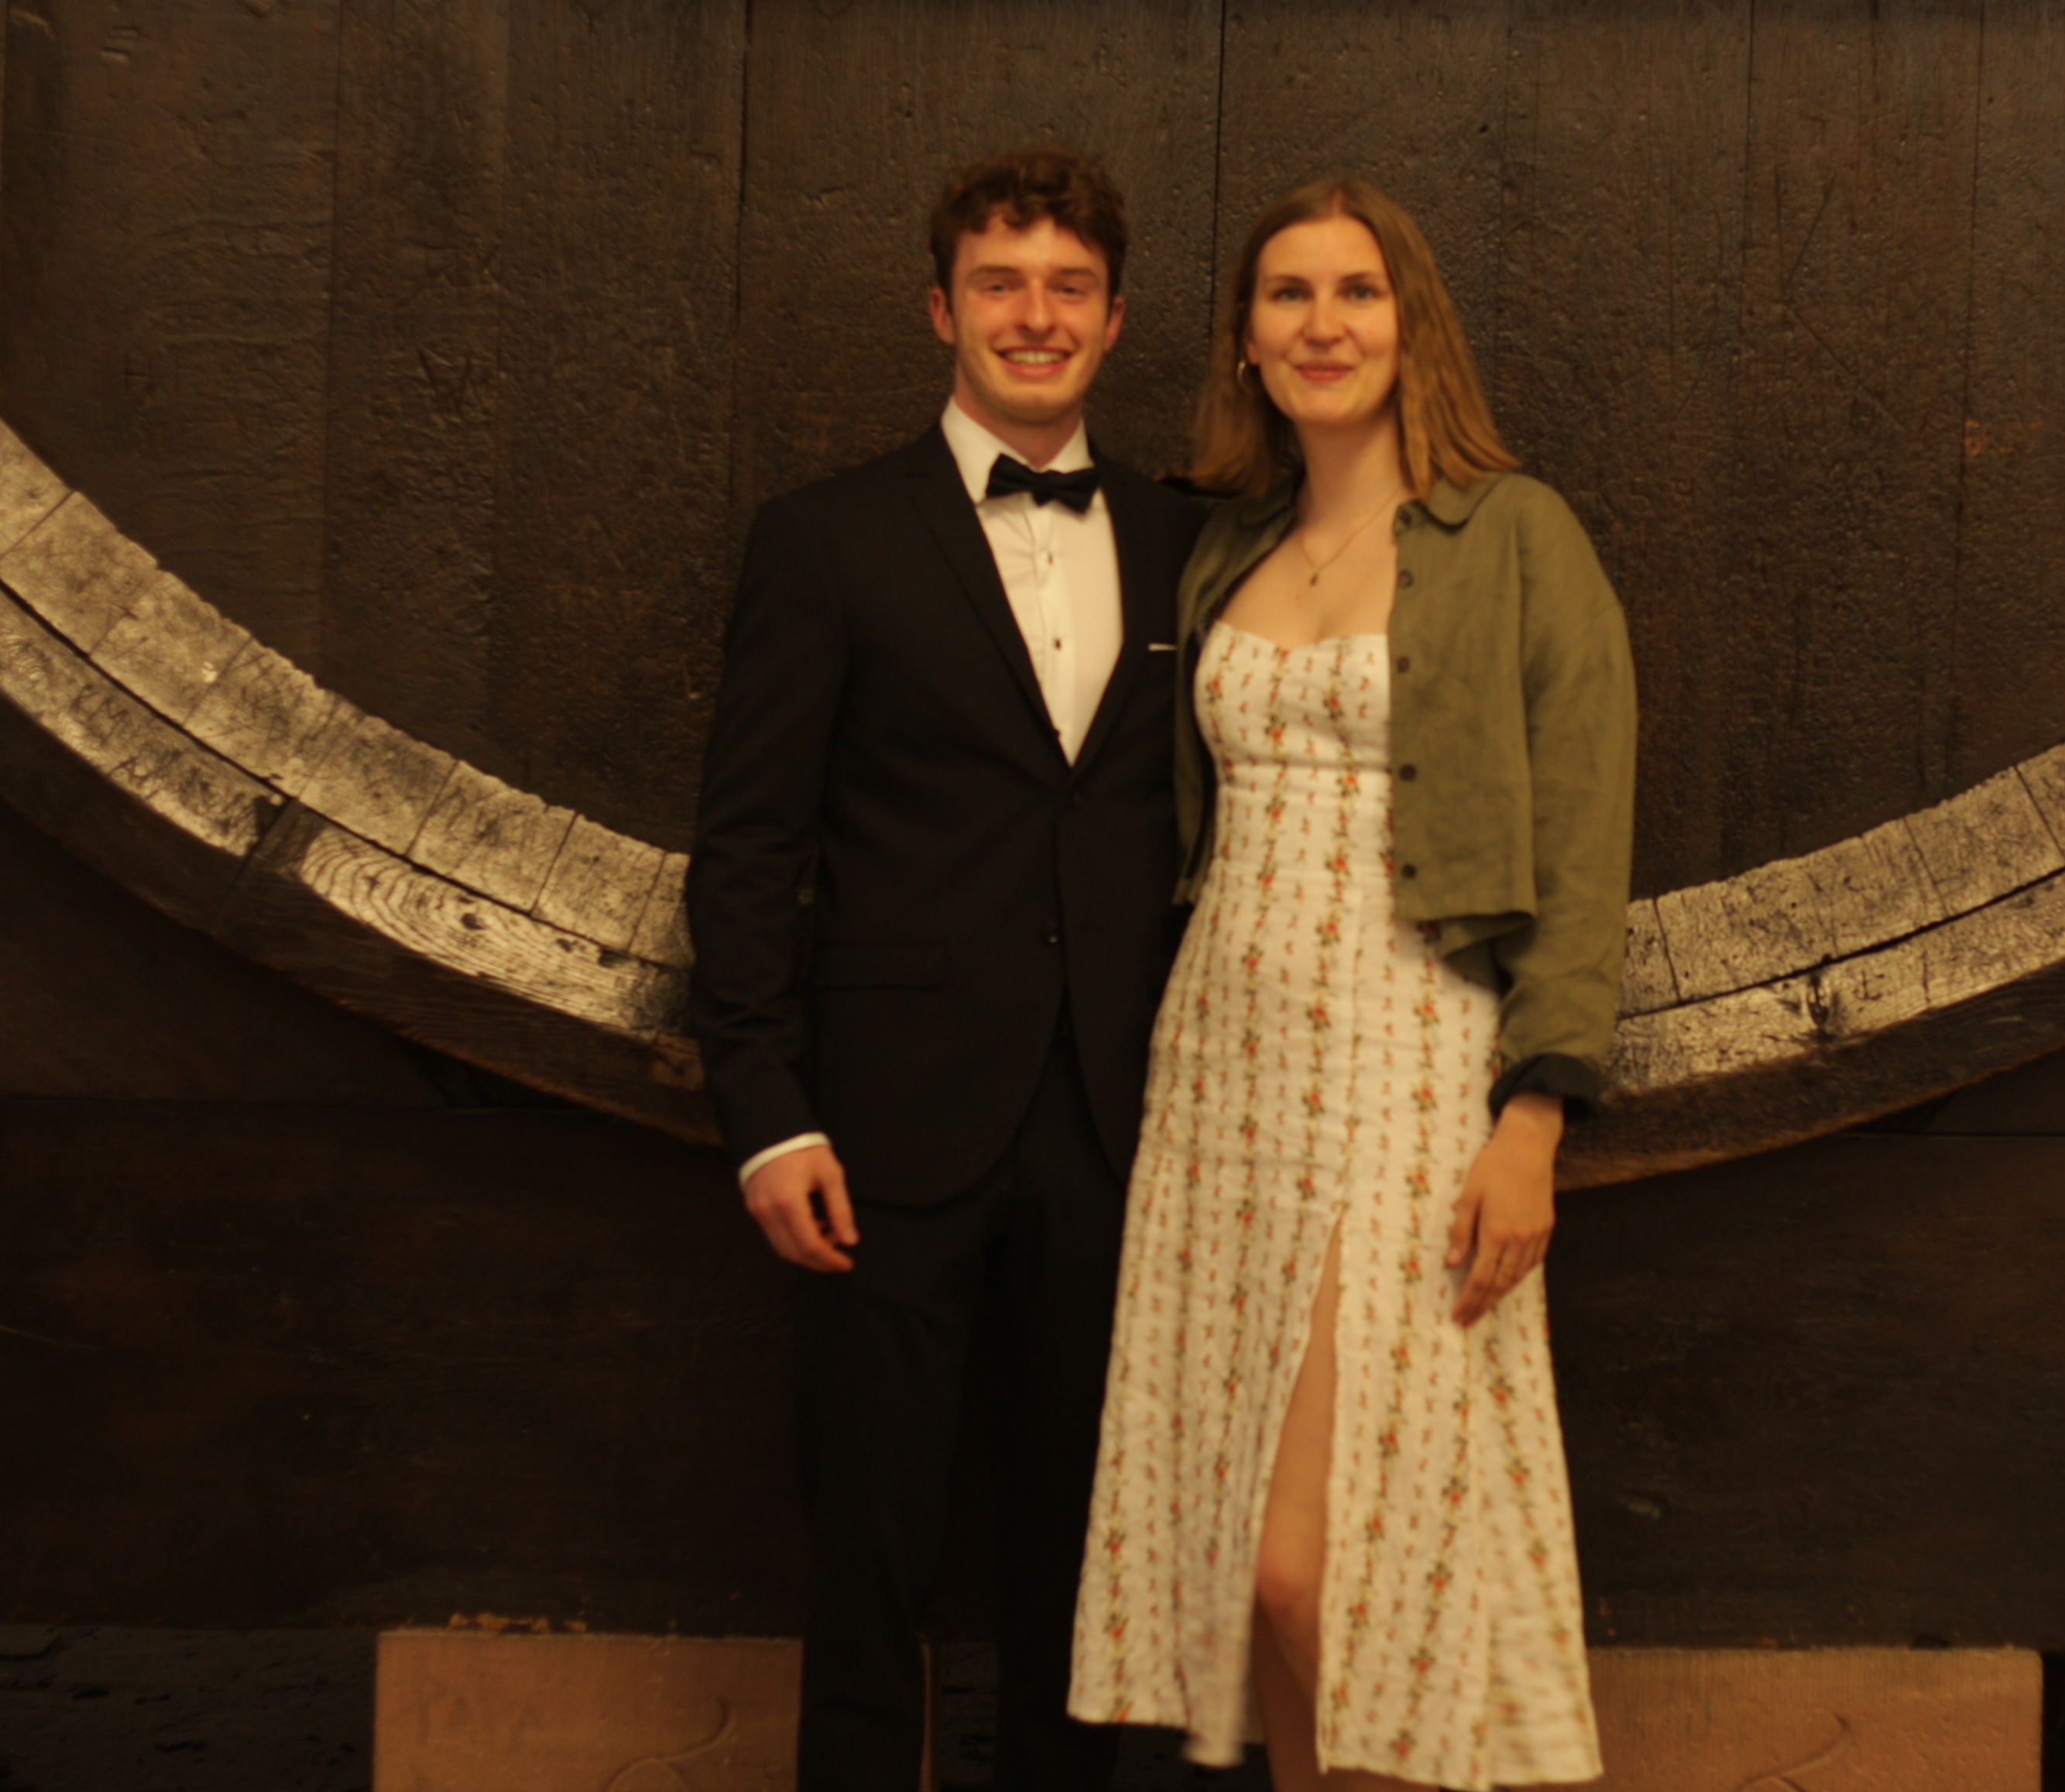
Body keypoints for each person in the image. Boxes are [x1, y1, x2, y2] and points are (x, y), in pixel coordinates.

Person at [1069, 177, 1634, 1791]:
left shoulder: (1514, 533)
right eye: (1290, 296)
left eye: (1358, 293)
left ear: (1412, 325)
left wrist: (1536, 1113)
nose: (1324, 325)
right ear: (1245, 342)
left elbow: (1586, 829)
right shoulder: (1225, 547)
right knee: (1241, 1567)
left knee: (1323, 1568)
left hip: (1407, 1058)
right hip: (1220, 1073)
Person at [685, 146, 1202, 1791]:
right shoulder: (823, 540)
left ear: (1115, 320)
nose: (1033, 316)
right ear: (940, 310)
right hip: (879, 1134)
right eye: (1000, 283)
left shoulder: (1195, 541)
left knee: (1086, 1573)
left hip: (1118, 1127)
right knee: (868, 1554)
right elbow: (747, 849)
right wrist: (766, 1110)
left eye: (1067, 287)